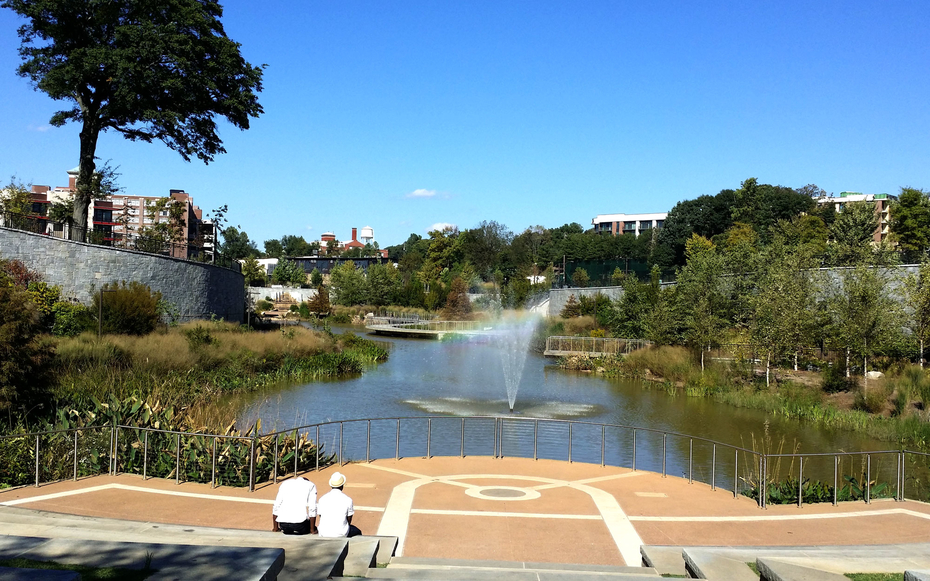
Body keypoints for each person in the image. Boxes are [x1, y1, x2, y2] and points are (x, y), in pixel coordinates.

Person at [317, 471, 360, 538]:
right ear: (342, 486)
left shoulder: (322, 499)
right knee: (358, 532)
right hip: (341, 533)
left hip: (323, 532)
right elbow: (349, 519)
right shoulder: (348, 499)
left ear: (331, 485)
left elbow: (320, 516)